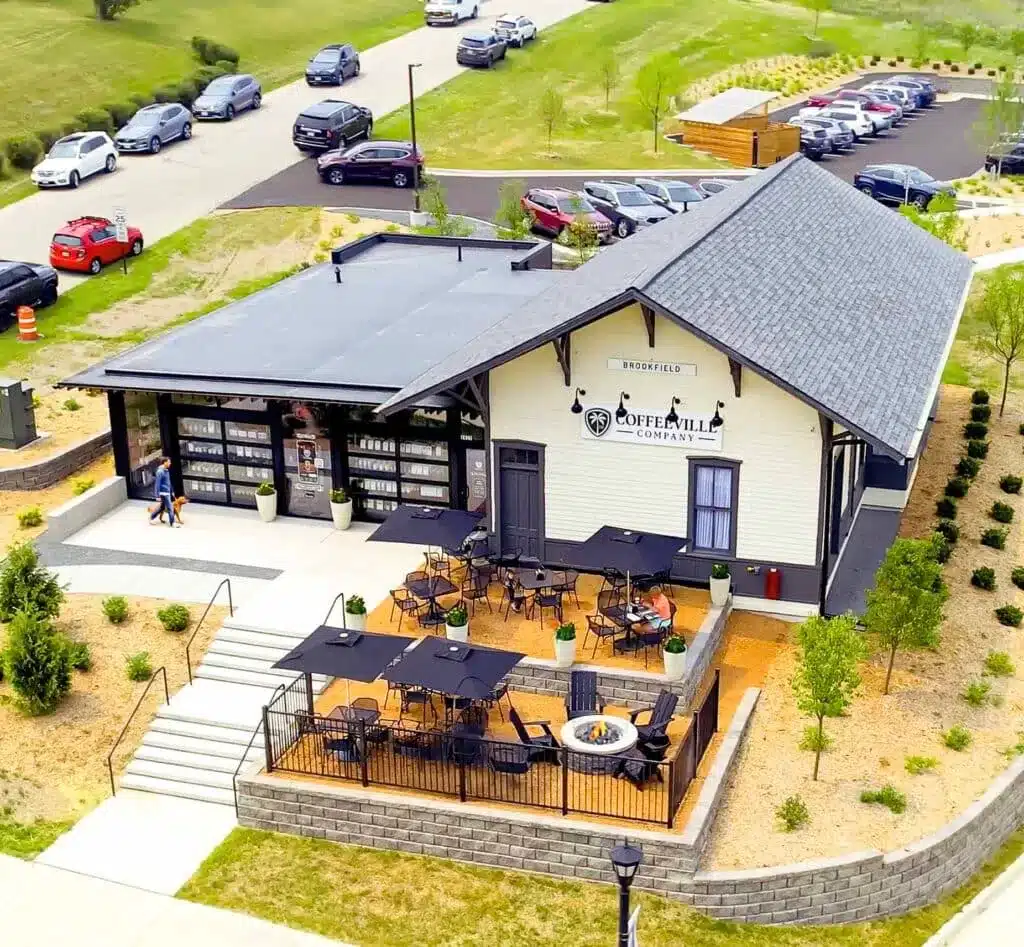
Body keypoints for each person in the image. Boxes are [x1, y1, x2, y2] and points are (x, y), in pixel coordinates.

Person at [149, 458, 177, 527]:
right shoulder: (160, 472)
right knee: (170, 507)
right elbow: (157, 484)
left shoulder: (166, 471)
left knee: (162, 507)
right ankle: (172, 523)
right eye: (169, 462)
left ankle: (152, 518)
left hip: (167, 492)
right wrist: (157, 496)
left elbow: (168, 482)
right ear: (164, 462)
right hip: (163, 493)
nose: (170, 463)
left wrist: (172, 491)